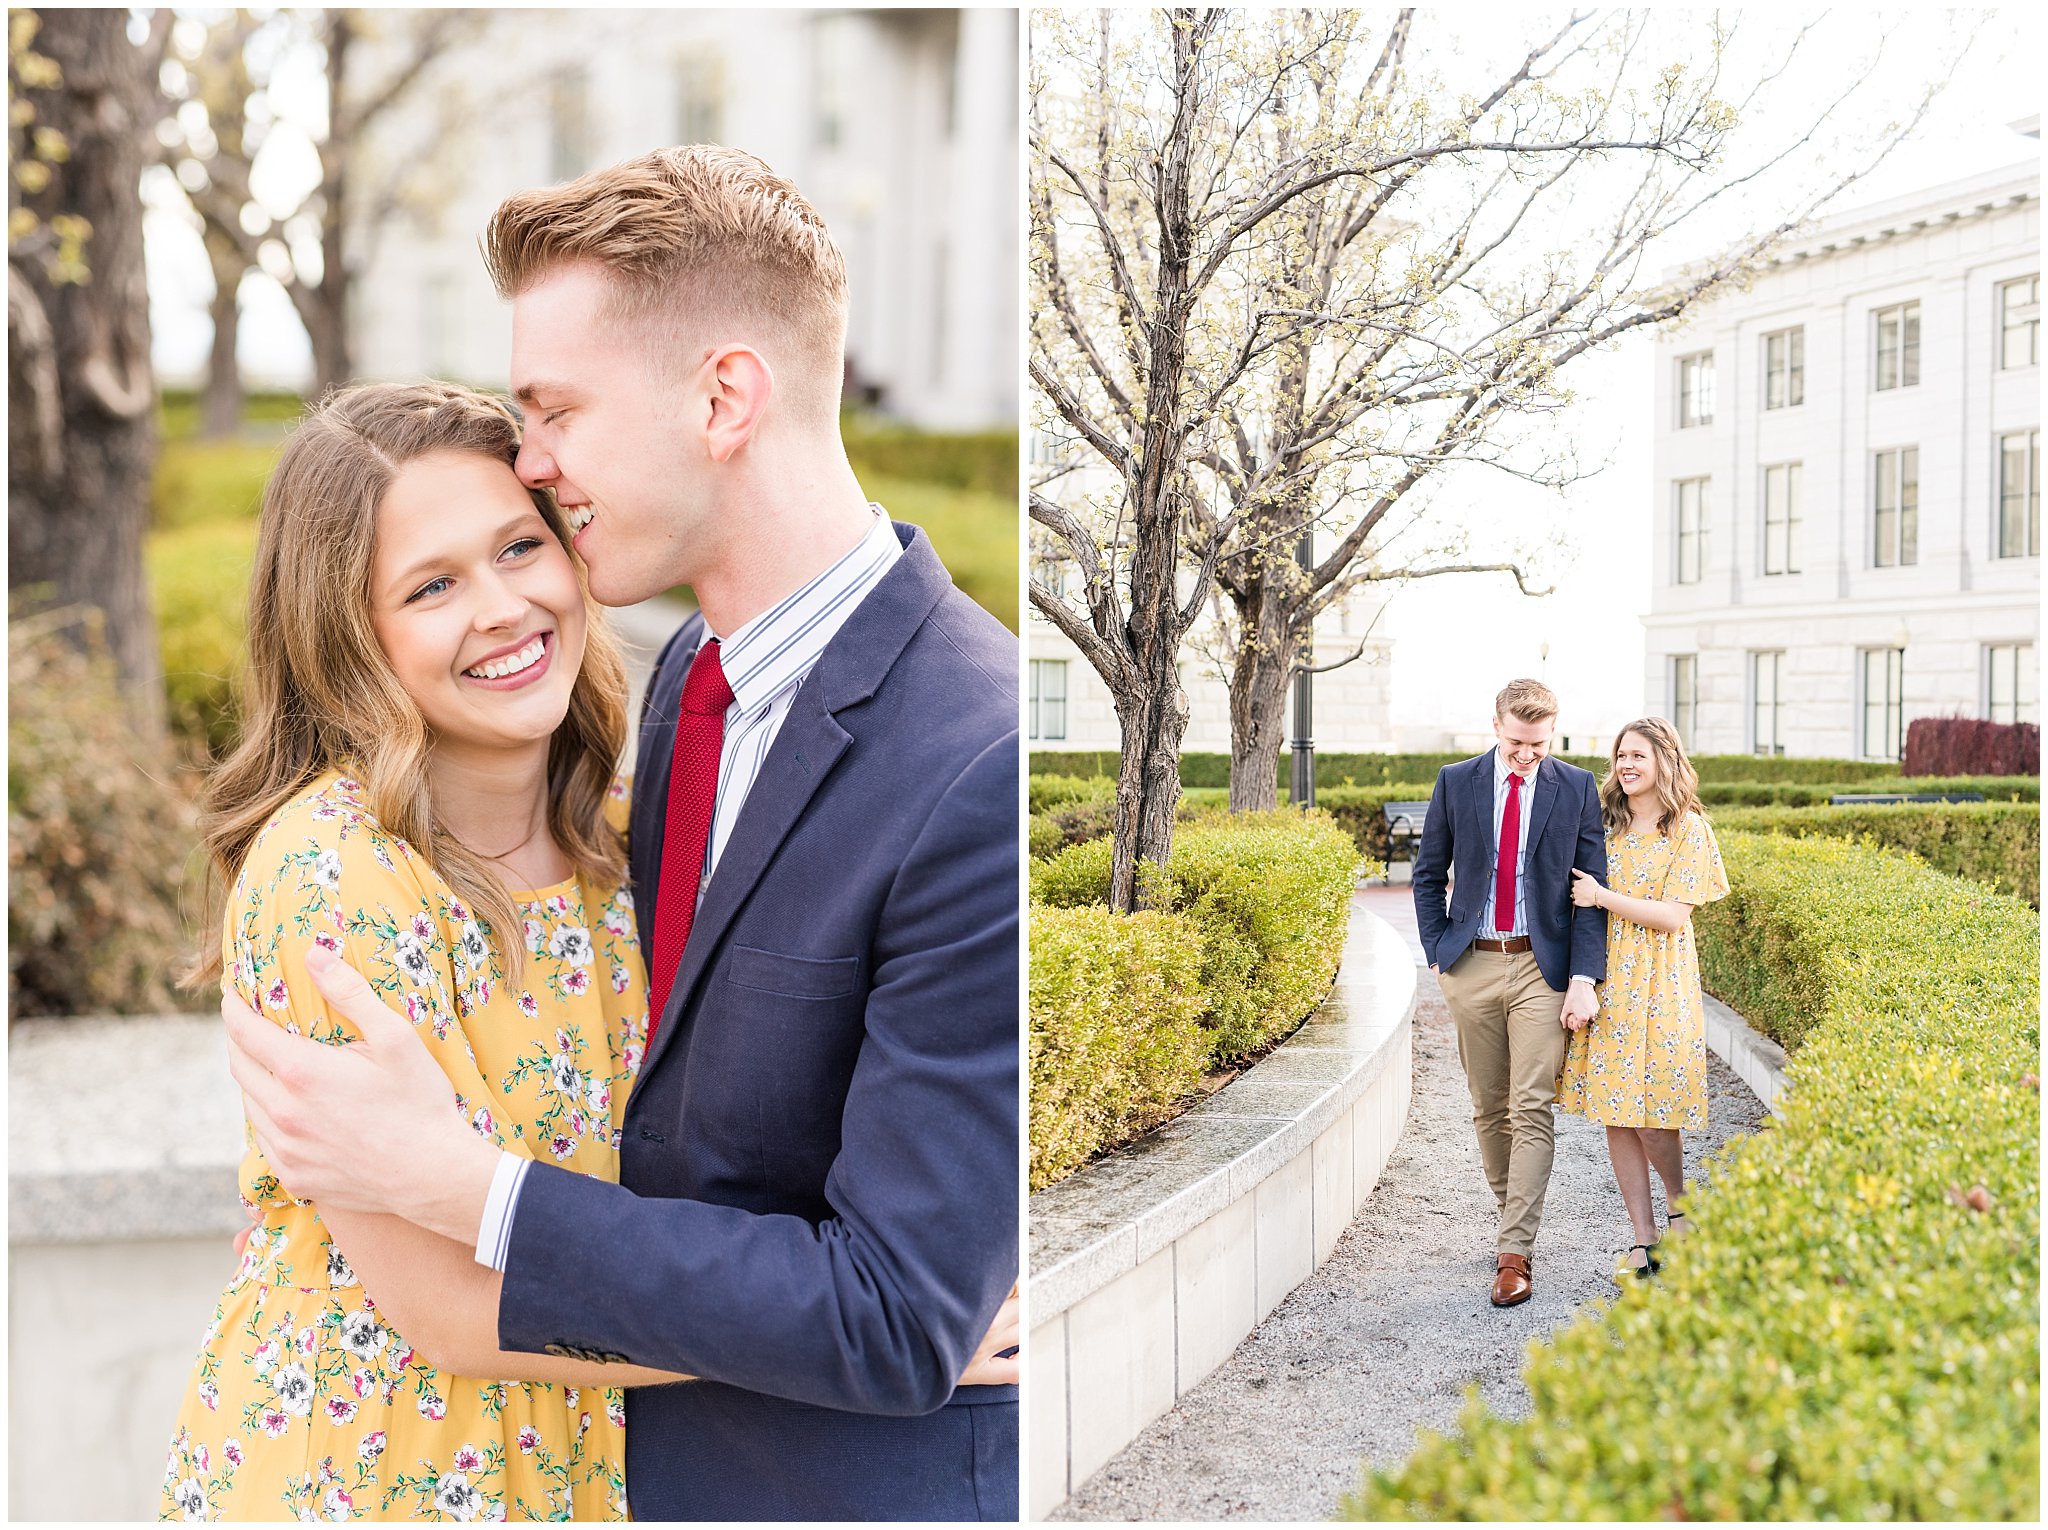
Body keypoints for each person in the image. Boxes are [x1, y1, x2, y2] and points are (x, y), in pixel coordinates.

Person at [215, 147, 1020, 1520]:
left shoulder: (970, 757)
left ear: (723, 396)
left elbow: (893, 1307)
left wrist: (917, 1324)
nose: (532, 466)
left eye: (555, 411)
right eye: (429, 582)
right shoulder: (697, 686)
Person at [1411, 678, 1608, 1308]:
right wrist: (1439, 953)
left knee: (1531, 1105)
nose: (1528, 755)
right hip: (1471, 962)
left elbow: (1589, 891)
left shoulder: (1575, 788)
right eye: (1519, 742)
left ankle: (1514, 1251)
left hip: (1538, 968)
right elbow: (1427, 873)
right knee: (1487, 1105)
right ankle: (1511, 1222)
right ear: (1496, 726)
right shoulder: (1456, 781)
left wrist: (1583, 977)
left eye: (1540, 744)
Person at [1557, 717, 1729, 1280]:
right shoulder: (1605, 823)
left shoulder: (1689, 830)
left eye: (1639, 756)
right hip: (1607, 979)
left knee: (1656, 1116)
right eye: (1620, 756)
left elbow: (1674, 917)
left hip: (1661, 984)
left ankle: (1680, 1205)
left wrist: (1603, 896)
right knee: (1616, 1113)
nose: (1626, 766)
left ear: (1665, 761)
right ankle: (1642, 1238)